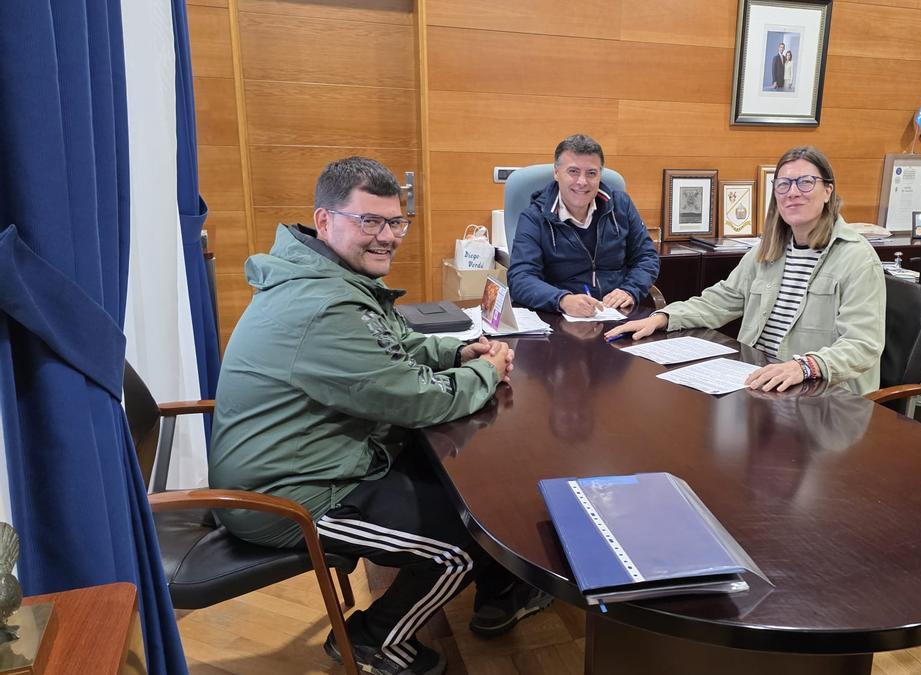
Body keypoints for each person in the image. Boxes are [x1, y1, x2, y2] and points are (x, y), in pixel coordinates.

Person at [210, 157, 550, 675]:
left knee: (470, 494)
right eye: (370, 221)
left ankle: (500, 586)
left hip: (320, 459)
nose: (387, 236)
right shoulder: (324, 306)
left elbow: (392, 344)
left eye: (396, 222)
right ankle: (375, 642)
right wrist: (490, 370)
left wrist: (456, 355)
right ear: (324, 220)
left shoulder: (329, 275)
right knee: (459, 542)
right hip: (288, 497)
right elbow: (415, 398)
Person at [605, 146, 885, 395]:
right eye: (784, 184)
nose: (794, 192)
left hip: (820, 393)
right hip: (758, 381)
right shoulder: (768, 250)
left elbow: (863, 344)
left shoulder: (857, 258)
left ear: (828, 191)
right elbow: (720, 300)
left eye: (806, 182)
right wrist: (663, 317)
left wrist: (805, 366)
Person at [507, 134, 660, 317]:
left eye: (591, 173)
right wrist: (562, 300)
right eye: (573, 171)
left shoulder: (621, 205)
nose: (582, 182)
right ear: (556, 173)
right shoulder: (535, 217)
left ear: (599, 175)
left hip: (617, 314)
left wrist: (629, 290)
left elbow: (647, 257)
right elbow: (520, 278)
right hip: (561, 317)